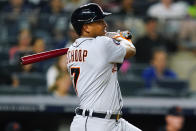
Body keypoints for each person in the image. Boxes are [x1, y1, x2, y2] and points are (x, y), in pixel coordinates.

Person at [67, 3, 141, 131]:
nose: (105, 25)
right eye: (99, 21)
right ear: (86, 27)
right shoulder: (102, 43)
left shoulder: (72, 50)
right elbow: (131, 50)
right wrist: (121, 38)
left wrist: (111, 38)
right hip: (94, 123)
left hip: (111, 121)